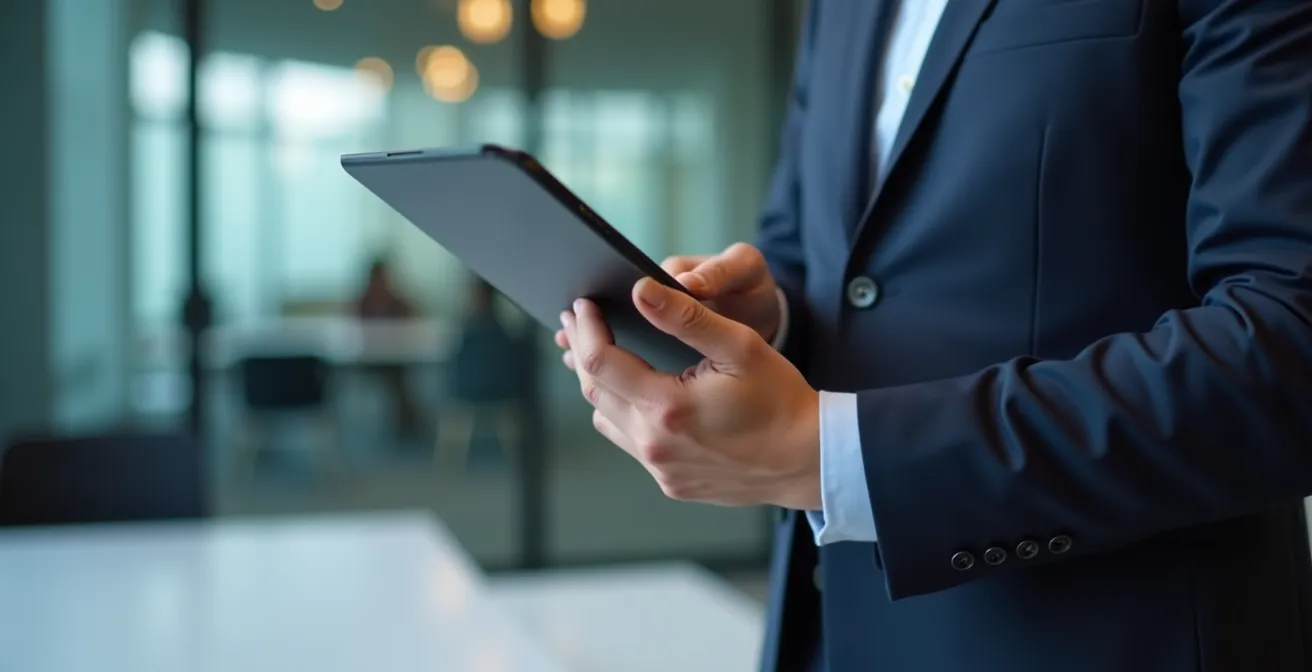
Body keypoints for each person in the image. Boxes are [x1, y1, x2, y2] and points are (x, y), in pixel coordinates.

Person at [554, 1, 1312, 670]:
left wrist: (842, 454)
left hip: (1101, 637)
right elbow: (809, 252)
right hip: (827, 630)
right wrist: (767, 318)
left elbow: (1288, 345)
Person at [355, 256, 421, 435]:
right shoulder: (363, 301)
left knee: (400, 378)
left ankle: (409, 421)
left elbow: (412, 321)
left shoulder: (396, 300)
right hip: (370, 357)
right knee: (397, 380)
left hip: (395, 356)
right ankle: (409, 419)